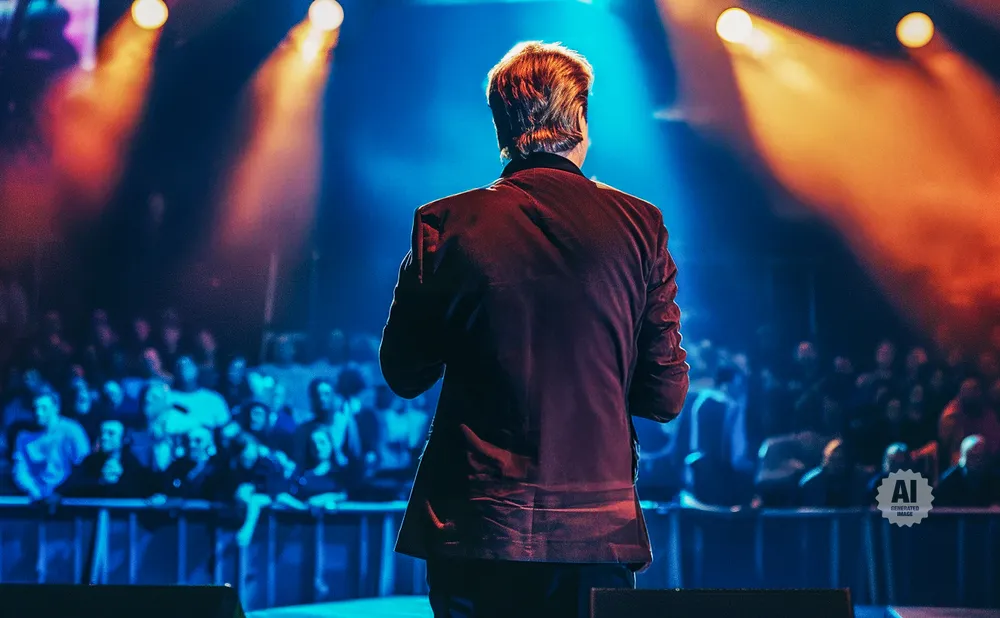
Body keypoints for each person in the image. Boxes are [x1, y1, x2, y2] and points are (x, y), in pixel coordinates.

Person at [379, 41, 689, 618]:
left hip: (476, 522)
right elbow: (665, 396)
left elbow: (404, 373)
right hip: (594, 528)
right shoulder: (642, 226)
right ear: (580, 122)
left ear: (502, 126)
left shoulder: (444, 224)